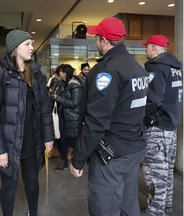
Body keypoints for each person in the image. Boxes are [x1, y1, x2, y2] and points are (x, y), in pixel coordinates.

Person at [70, 17, 149, 216]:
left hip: (111, 155)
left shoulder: (106, 72)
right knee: (127, 201)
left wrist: (78, 159)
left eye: (96, 38)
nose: (96, 42)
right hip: (133, 149)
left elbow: (96, 121)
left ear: (104, 41)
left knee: (103, 208)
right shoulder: (136, 67)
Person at [0, 30, 54, 216]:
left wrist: (48, 137)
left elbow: (44, 108)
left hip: (31, 141)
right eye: (27, 44)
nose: (32, 48)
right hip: (8, 143)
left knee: (32, 182)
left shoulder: (36, 73)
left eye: (32, 44)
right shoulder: (0, 74)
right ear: (15, 48)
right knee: (9, 187)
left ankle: (33, 212)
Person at [141, 35, 183, 215]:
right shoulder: (176, 67)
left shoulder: (157, 67)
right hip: (171, 126)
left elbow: (152, 99)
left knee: (155, 175)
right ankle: (165, 207)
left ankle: (155, 211)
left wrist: (142, 117)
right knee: (165, 171)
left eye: (147, 47)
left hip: (158, 128)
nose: (145, 50)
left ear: (155, 48)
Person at [51, 64, 82, 172]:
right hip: (63, 117)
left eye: (59, 72)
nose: (58, 74)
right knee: (63, 140)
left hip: (73, 118)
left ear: (64, 73)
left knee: (73, 141)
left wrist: (57, 98)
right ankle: (64, 162)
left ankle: (78, 163)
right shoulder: (62, 83)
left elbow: (74, 103)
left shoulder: (75, 84)